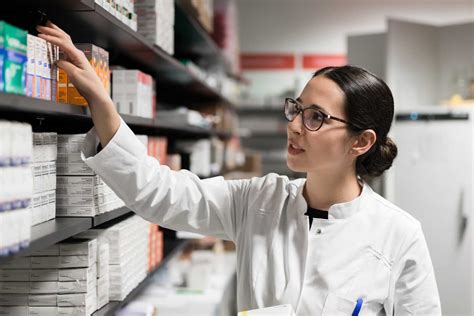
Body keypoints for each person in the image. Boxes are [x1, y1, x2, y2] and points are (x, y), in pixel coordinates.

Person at [37, 21, 442, 315]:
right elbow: (158, 192)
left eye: (316, 117)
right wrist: (100, 99)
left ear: (361, 141)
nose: (295, 126)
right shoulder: (258, 200)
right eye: (297, 109)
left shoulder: (399, 235)